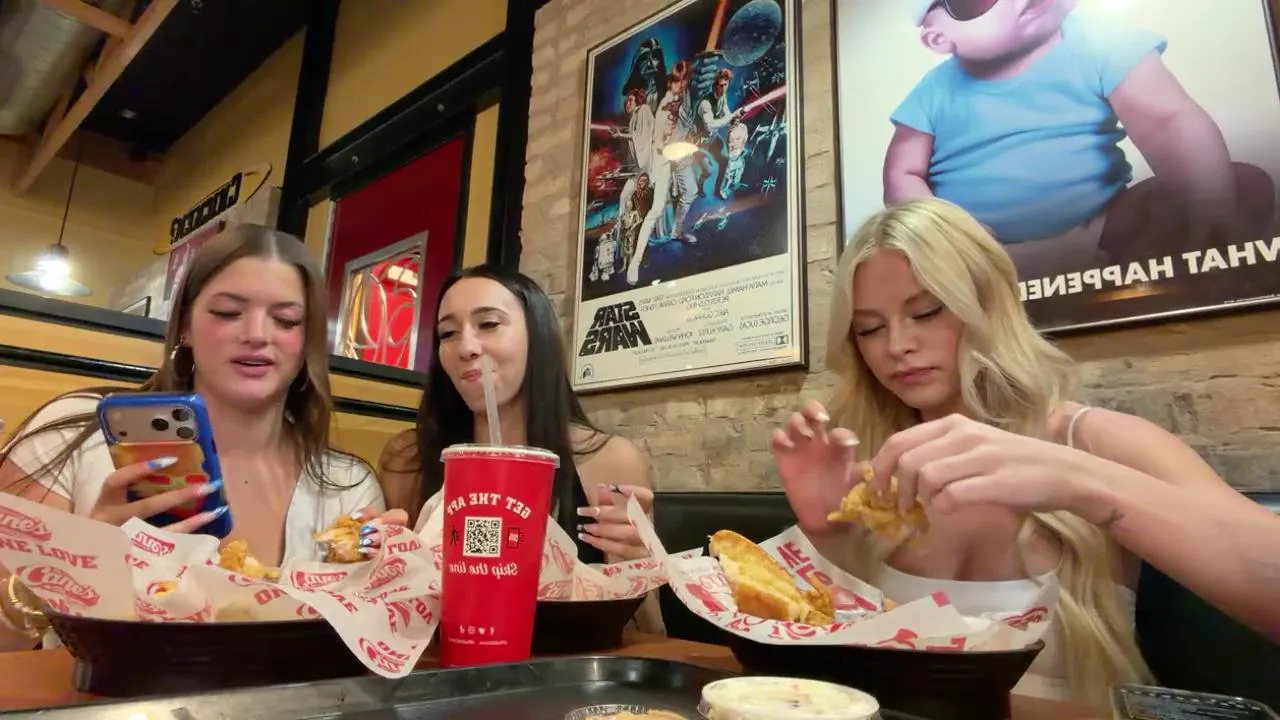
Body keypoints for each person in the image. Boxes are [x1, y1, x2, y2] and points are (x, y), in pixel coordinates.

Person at [772, 198, 1271, 708]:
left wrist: (1075, 480)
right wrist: (826, 535)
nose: (897, 344)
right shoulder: (872, 470)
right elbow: (834, 675)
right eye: (870, 329)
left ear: (989, 304)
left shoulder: (1095, 442)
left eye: (926, 312)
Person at [0, 225, 398, 650]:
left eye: (286, 320)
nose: (257, 334)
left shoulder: (348, 487)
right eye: (227, 312)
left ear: (307, 343)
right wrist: (77, 560)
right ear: (185, 327)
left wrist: (381, 584)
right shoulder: (70, 435)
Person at [884, 0, 1273, 280]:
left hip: (1102, 223)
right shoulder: (933, 92)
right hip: (979, 252)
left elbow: (1167, 121)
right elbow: (902, 175)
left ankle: (1137, 268)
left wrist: (1211, 201)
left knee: (1240, 184)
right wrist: (945, 232)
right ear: (939, 39)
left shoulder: (1100, 43)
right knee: (898, 263)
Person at [376, 265, 652, 565]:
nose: (466, 347)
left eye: (489, 324)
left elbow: (642, 595)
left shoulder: (608, 461)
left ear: (538, 336)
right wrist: (368, 557)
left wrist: (638, 564)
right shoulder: (407, 461)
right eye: (448, 333)